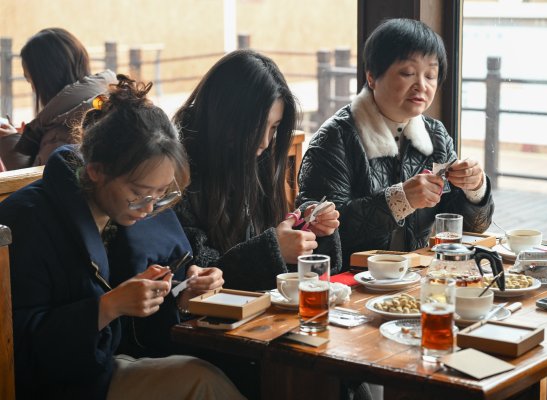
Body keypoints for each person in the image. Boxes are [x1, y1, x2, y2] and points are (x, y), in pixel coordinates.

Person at [0, 75, 245, 399]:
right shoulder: (28, 220)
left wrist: (183, 292)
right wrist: (108, 307)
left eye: (162, 194)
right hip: (63, 383)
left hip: (109, 363)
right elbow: (18, 347)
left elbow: (142, 324)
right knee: (202, 382)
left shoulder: (126, 211)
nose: (149, 208)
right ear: (96, 171)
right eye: (139, 194)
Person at [297, 18, 494, 267]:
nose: (421, 85)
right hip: (353, 278)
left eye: (430, 75)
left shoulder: (436, 135)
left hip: (417, 274)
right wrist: (399, 200)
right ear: (372, 77)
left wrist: (475, 189)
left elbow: (469, 226)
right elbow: (321, 233)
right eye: (408, 73)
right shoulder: (335, 138)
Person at [173, 49, 342, 291]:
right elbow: (200, 276)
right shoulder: (179, 173)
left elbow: (266, 242)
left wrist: (305, 228)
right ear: (225, 116)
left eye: (273, 128)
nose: (264, 142)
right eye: (256, 126)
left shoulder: (258, 159)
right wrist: (275, 250)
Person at [0, 27, 116, 169]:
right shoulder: (107, 101)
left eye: (31, 80)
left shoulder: (62, 134)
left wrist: (10, 141)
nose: (33, 89)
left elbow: (35, 180)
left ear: (45, 81)